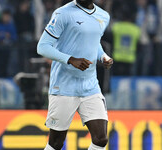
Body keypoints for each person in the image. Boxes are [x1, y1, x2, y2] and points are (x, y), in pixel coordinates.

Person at [37, 0, 113, 149]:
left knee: (101, 139)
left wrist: (103, 56)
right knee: (56, 143)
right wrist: (70, 60)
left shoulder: (103, 16)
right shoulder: (63, 14)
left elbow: (93, 41)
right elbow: (42, 47)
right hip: (64, 86)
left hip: (90, 85)